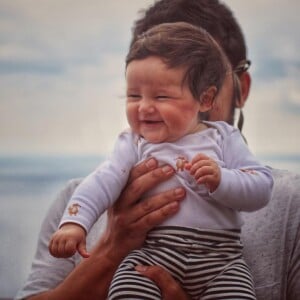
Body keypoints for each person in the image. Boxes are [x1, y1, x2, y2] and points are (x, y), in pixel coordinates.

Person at [15, 1, 300, 299]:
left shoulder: (291, 206)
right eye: (139, 92)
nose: (148, 106)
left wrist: (223, 180)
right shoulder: (77, 199)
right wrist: (109, 251)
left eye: (167, 91)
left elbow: (258, 184)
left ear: (218, 92)